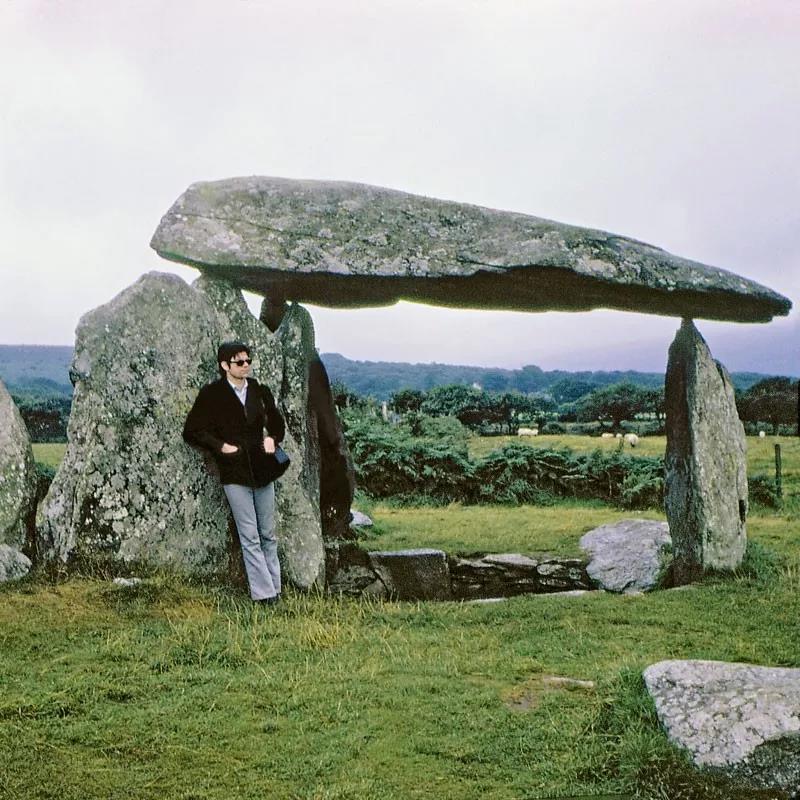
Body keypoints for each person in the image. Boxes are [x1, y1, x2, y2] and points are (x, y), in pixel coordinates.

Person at [183, 341, 286, 604]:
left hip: (263, 468)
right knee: (249, 534)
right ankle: (264, 595)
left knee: (268, 533)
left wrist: (273, 438)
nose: (246, 366)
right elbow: (193, 430)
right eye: (239, 362)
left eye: (248, 361)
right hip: (234, 471)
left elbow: (276, 421)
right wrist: (221, 446)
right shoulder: (212, 395)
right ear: (224, 365)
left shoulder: (260, 391)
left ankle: (277, 588)